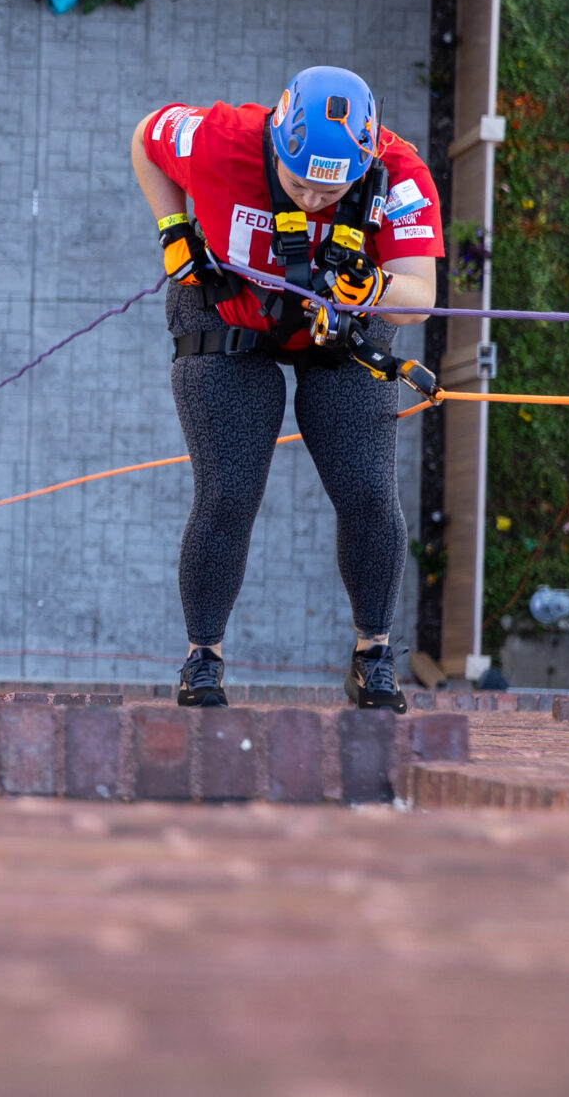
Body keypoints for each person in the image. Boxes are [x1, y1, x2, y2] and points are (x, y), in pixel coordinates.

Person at [133, 65, 442, 713]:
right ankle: (203, 657)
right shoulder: (220, 139)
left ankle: (373, 652)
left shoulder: (401, 176)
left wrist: (374, 289)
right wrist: (172, 230)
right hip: (226, 315)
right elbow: (145, 137)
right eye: (299, 182)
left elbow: (419, 296)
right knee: (228, 492)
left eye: (332, 191)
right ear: (277, 142)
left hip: (339, 330)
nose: (312, 199)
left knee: (367, 493)